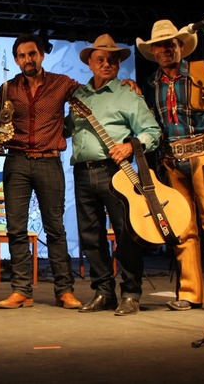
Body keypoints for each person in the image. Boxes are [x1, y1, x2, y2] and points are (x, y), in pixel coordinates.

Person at [136, 19, 204, 316]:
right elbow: (149, 124)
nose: (164, 50)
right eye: (158, 45)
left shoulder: (202, 71)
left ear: (180, 46)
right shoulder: (151, 84)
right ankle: (189, 291)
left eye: (170, 44)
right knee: (182, 228)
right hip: (172, 161)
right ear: (153, 51)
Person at [65, 34, 161, 316]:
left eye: (112, 60)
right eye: (101, 60)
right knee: (91, 236)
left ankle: (131, 293)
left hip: (116, 172)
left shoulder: (127, 94)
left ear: (119, 64)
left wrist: (130, 145)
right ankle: (103, 292)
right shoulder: (79, 96)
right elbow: (66, 129)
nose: (107, 64)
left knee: (126, 233)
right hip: (83, 172)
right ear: (91, 64)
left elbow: (152, 132)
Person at [0, 33, 84, 310]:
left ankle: (64, 291)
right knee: (16, 229)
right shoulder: (7, 89)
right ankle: (21, 291)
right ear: (17, 59)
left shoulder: (61, 83)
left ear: (41, 55)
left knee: (55, 229)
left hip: (48, 160)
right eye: (21, 55)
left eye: (32, 54)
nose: (27, 59)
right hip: (16, 161)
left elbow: (92, 95)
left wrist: (123, 84)